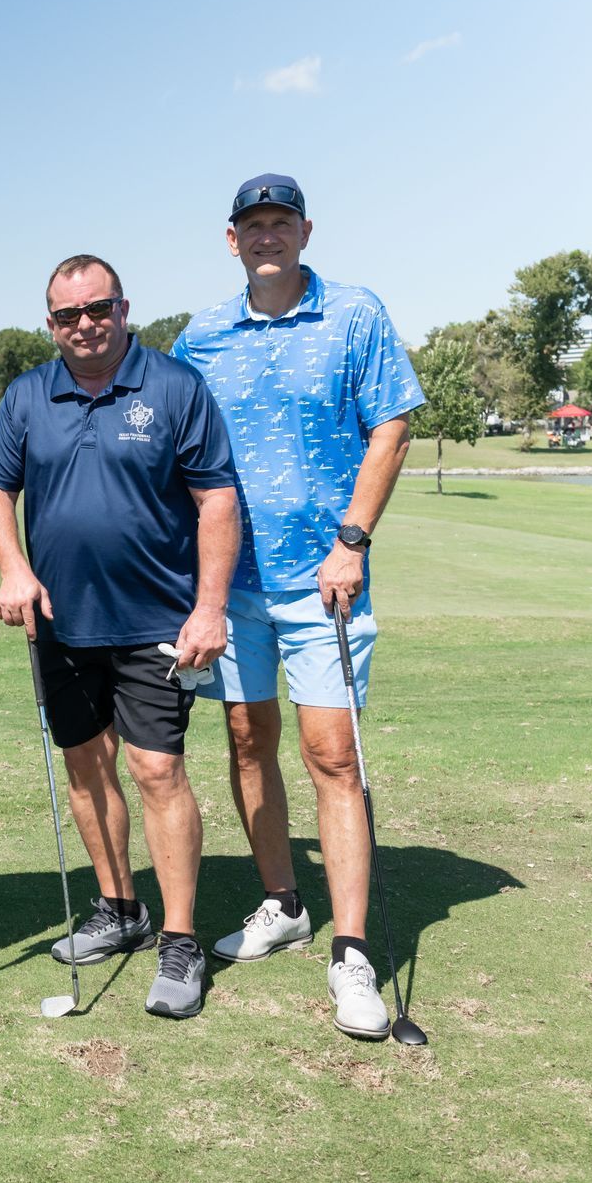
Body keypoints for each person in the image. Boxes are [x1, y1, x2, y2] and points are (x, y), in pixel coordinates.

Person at [170, 174, 422, 1041]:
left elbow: (391, 424)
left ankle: (351, 950)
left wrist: (352, 539)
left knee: (332, 754)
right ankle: (284, 900)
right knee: (247, 739)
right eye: (253, 224)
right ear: (230, 238)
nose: (267, 236)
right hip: (231, 583)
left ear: (306, 230)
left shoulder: (353, 315)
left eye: (282, 222)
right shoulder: (201, 335)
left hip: (325, 578)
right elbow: (174, 444)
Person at [0, 255, 240, 1019]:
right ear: (50, 323)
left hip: (158, 620)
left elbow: (216, 499)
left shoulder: (174, 387)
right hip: (59, 621)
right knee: (88, 768)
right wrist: (13, 567)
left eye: (98, 309)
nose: (84, 325)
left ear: (125, 309)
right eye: (67, 315)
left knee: (159, 771)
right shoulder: (29, 393)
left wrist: (209, 608)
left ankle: (181, 937)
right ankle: (119, 907)